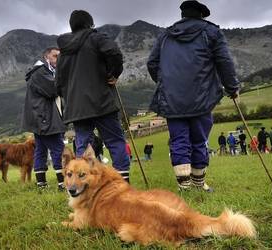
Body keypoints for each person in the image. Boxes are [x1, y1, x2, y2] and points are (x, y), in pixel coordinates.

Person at [147, 0, 240, 191]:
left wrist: (167, 83)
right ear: (201, 15)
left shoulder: (166, 35)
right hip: (202, 97)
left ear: (182, 15)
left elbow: (152, 63)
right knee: (199, 139)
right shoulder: (211, 32)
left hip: (172, 100)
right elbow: (224, 61)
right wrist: (232, 88)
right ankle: (198, 183)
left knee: (178, 139)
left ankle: (185, 185)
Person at [56, 10, 130, 182]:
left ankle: (83, 182)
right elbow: (114, 52)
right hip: (102, 101)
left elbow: (58, 83)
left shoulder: (63, 52)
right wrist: (113, 73)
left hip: (77, 109)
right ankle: (122, 182)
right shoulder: (96, 38)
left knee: (82, 143)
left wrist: (70, 97)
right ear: (90, 24)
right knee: (114, 141)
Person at [22, 47, 66, 191]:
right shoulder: (41, 72)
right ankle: (62, 184)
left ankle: (42, 185)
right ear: (46, 57)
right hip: (45, 117)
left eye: (60, 56)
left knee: (40, 150)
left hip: (40, 117)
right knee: (58, 149)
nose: (58, 59)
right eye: (55, 56)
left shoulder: (41, 72)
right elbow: (53, 90)